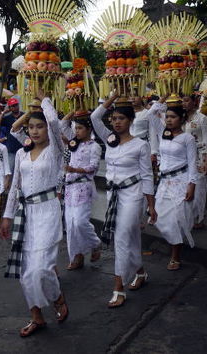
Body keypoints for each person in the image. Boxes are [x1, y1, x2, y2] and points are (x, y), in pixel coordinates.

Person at [0, 89, 69, 338]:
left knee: (42, 269)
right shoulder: (21, 154)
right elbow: (15, 188)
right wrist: (7, 216)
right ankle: (36, 316)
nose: (35, 131)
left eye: (39, 127)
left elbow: (53, 122)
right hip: (25, 215)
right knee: (26, 271)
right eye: (32, 127)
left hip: (48, 211)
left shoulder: (55, 150)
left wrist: (44, 99)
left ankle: (57, 296)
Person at [91, 94, 156, 307]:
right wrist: (113, 97)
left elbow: (147, 176)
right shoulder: (109, 139)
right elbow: (94, 117)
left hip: (133, 195)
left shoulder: (140, 145)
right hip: (113, 196)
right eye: (114, 118)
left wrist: (151, 206)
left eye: (121, 118)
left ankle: (118, 286)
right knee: (131, 237)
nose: (116, 122)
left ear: (130, 121)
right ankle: (140, 272)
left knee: (122, 236)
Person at [149, 97, 198, 271]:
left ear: (182, 119)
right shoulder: (163, 132)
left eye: (173, 117)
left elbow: (193, 163)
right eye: (167, 116)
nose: (169, 119)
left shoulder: (187, 138)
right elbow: (151, 113)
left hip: (181, 181)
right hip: (164, 182)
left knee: (176, 220)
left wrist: (192, 185)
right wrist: (164, 97)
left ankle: (175, 255)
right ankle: (175, 244)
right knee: (160, 218)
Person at [58, 110, 103, 270]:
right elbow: (62, 124)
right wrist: (74, 108)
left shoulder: (95, 146)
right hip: (70, 188)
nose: (77, 131)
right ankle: (77, 256)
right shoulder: (73, 143)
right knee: (70, 224)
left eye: (80, 128)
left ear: (89, 129)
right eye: (76, 128)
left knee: (79, 222)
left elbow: (93, 167)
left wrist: (75, 170)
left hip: (84, 187)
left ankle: (95, 243)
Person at [183, 94, 207, 229]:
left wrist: (206, 160)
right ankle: (188, 216)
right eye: (182, 101)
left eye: (187, 100)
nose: (184, 103)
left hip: (199, 156)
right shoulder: (179, 118)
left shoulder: (202, 118)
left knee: (199, 188)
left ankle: (199, 218)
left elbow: (206, 140)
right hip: (183, 158)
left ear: (194, 102)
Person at [0, 97, 24, 168]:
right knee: (10, 172)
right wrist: (3, 113)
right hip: (11, 150)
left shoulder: (24, 116)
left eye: (16, 105)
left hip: (24, 148)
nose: (15, 107)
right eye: (13, 106)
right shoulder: (7, 118)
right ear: (9, 108)